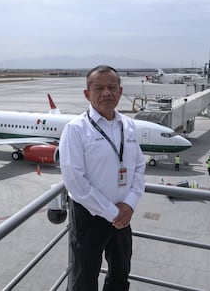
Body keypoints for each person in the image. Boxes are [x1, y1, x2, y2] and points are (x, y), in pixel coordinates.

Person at [59, 65, 146, 291]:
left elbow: (138, 166)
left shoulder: (127, 125)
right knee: (85, 278)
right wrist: (112, 212)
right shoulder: (75, 129)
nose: (106, 92)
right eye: (99, 88)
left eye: (112, 87)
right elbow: (75, 182)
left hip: (123, 215)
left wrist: (130, 204)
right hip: (90, 216)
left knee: (120, 273)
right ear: (87, 94)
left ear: (120, 91)